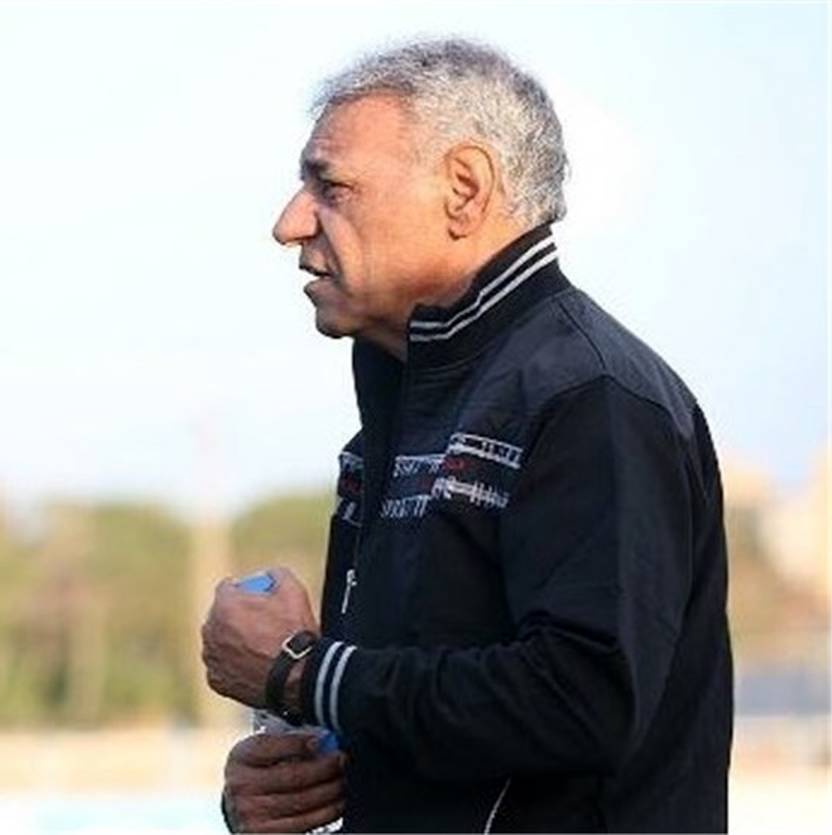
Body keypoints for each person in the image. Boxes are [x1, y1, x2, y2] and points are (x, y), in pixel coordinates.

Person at [200, 38, 732, 833]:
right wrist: (292, 775)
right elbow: (418, 706)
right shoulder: (411, 392)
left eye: (331, 186)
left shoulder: (591, 395)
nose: (290, 223)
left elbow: (584, 698)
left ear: (464, 189)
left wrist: (304, 671)